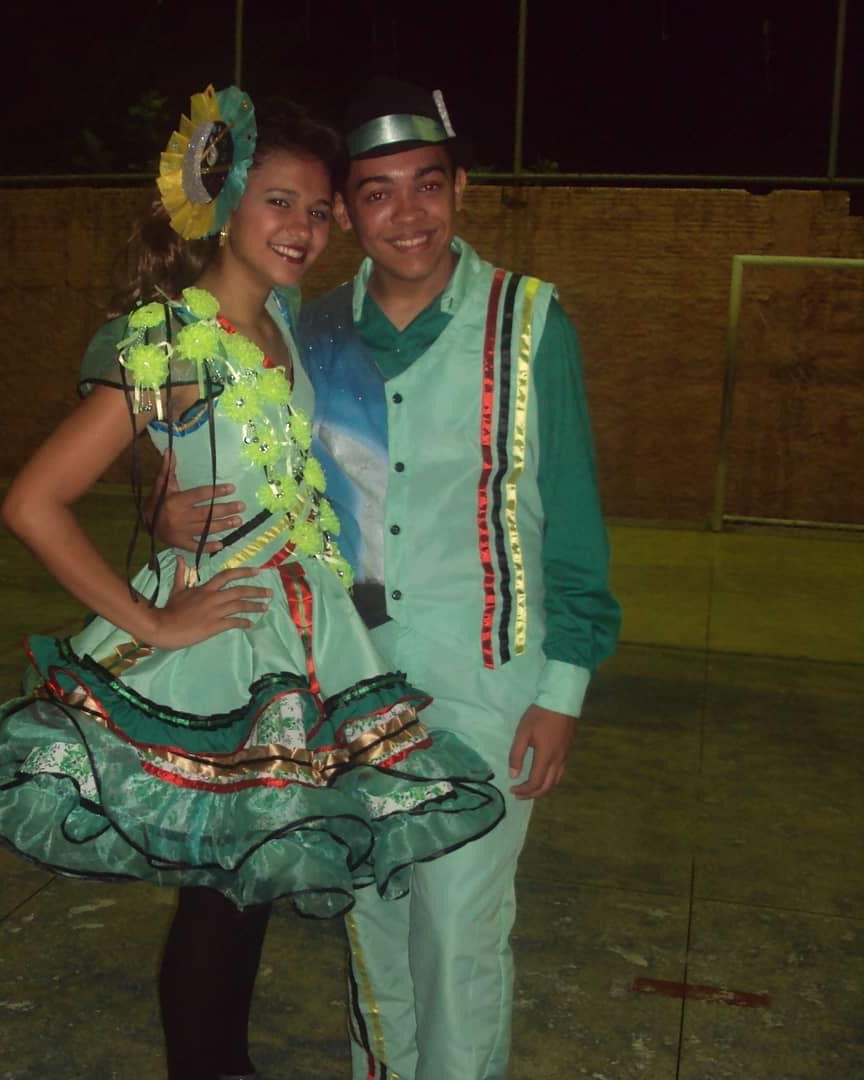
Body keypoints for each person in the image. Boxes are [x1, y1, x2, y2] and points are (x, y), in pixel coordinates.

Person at [0, 85, 506, 1080]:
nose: (305, 228)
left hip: (300, 636)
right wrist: (154, 623)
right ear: (223, 202)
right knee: (221, 892)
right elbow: (34, 503)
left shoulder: (282, 324)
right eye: (280, 201)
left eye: (320, 209)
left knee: (246, 884)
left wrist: (175, 495)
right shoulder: (168, 342)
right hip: (222, 646)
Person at [156, 77, 622, 1079]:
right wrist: (165, 506)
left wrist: (565, 689)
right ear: (347, 212)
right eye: (377, 192)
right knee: (375, 924)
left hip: (490, 678)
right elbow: (210, 432)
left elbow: (576, 517)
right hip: (353, 681)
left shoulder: (529, 322)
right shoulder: (308, 331)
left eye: (428, 184)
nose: (408, 213)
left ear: (460, 188)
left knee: (458, 935)